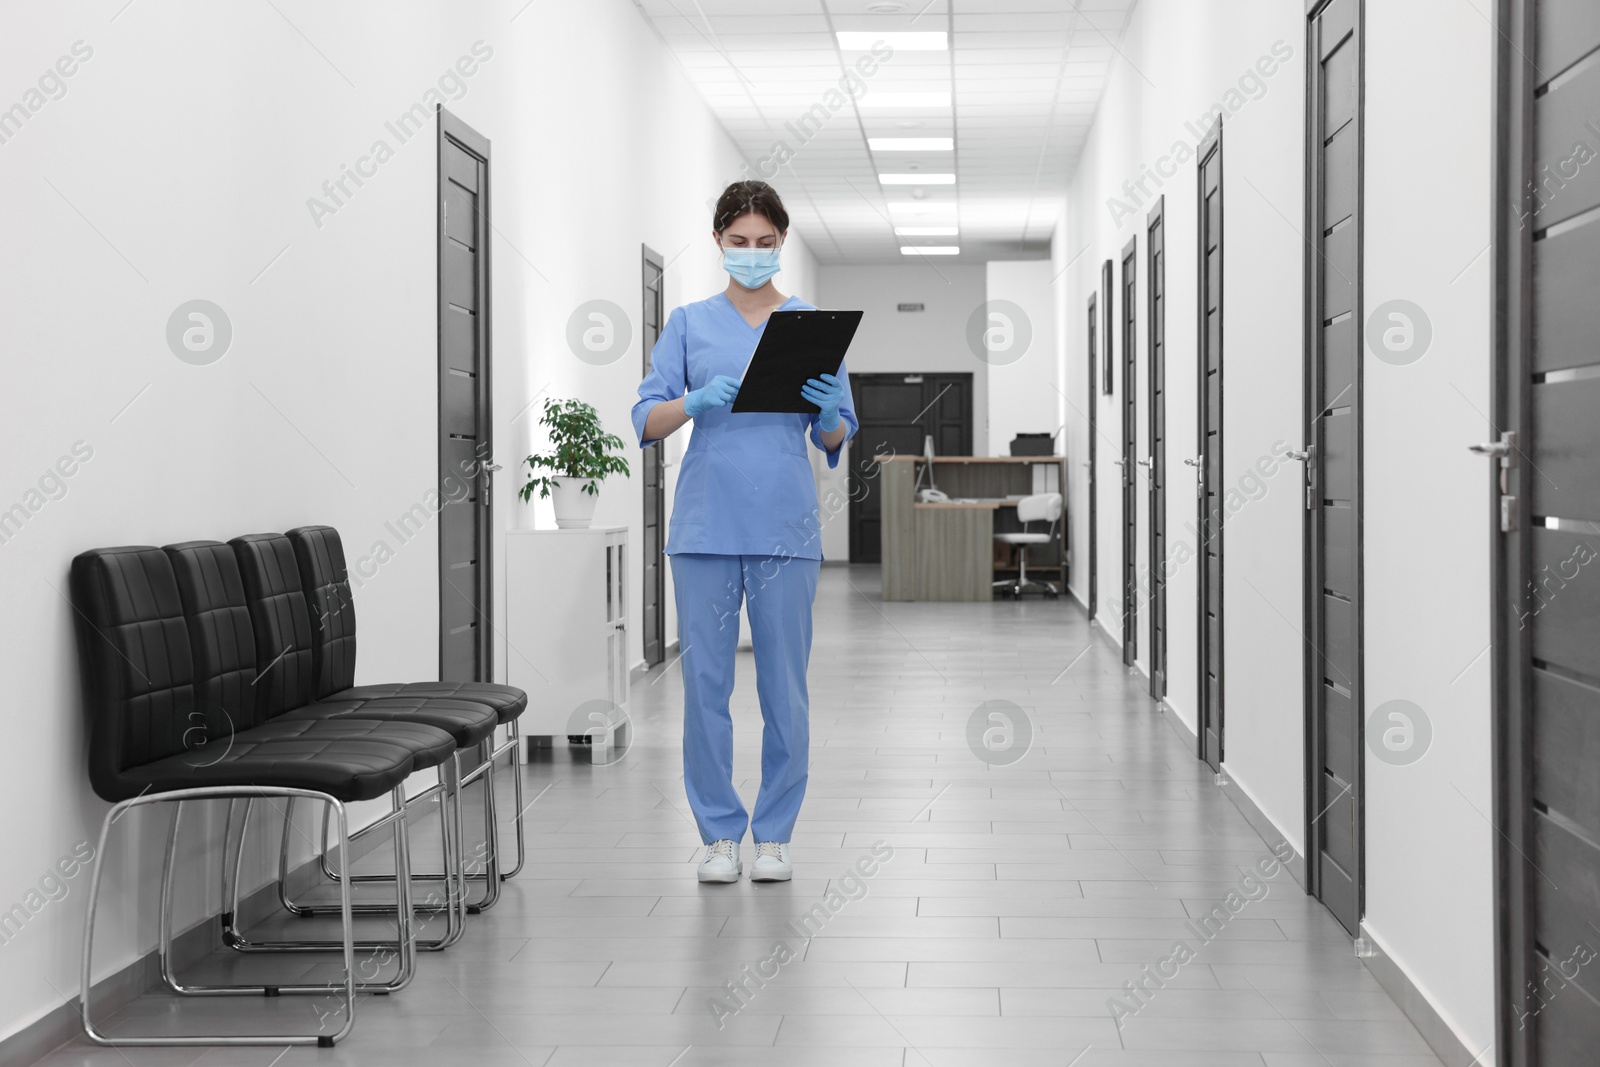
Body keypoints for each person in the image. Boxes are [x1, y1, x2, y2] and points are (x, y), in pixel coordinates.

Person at [632, 180, 857, 884]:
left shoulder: (811, 328)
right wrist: (690, 401)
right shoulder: (689, 325)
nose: (753, 254)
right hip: (704, 527)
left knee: (784, 686)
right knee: (705, 686)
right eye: (740, 242)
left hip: (785, 527)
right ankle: (720, 835)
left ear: (781, 242)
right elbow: (644, 420)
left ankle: (776, 835)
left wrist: (825, 414)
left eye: (765, 243)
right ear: (719, 243)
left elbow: (836, 433)